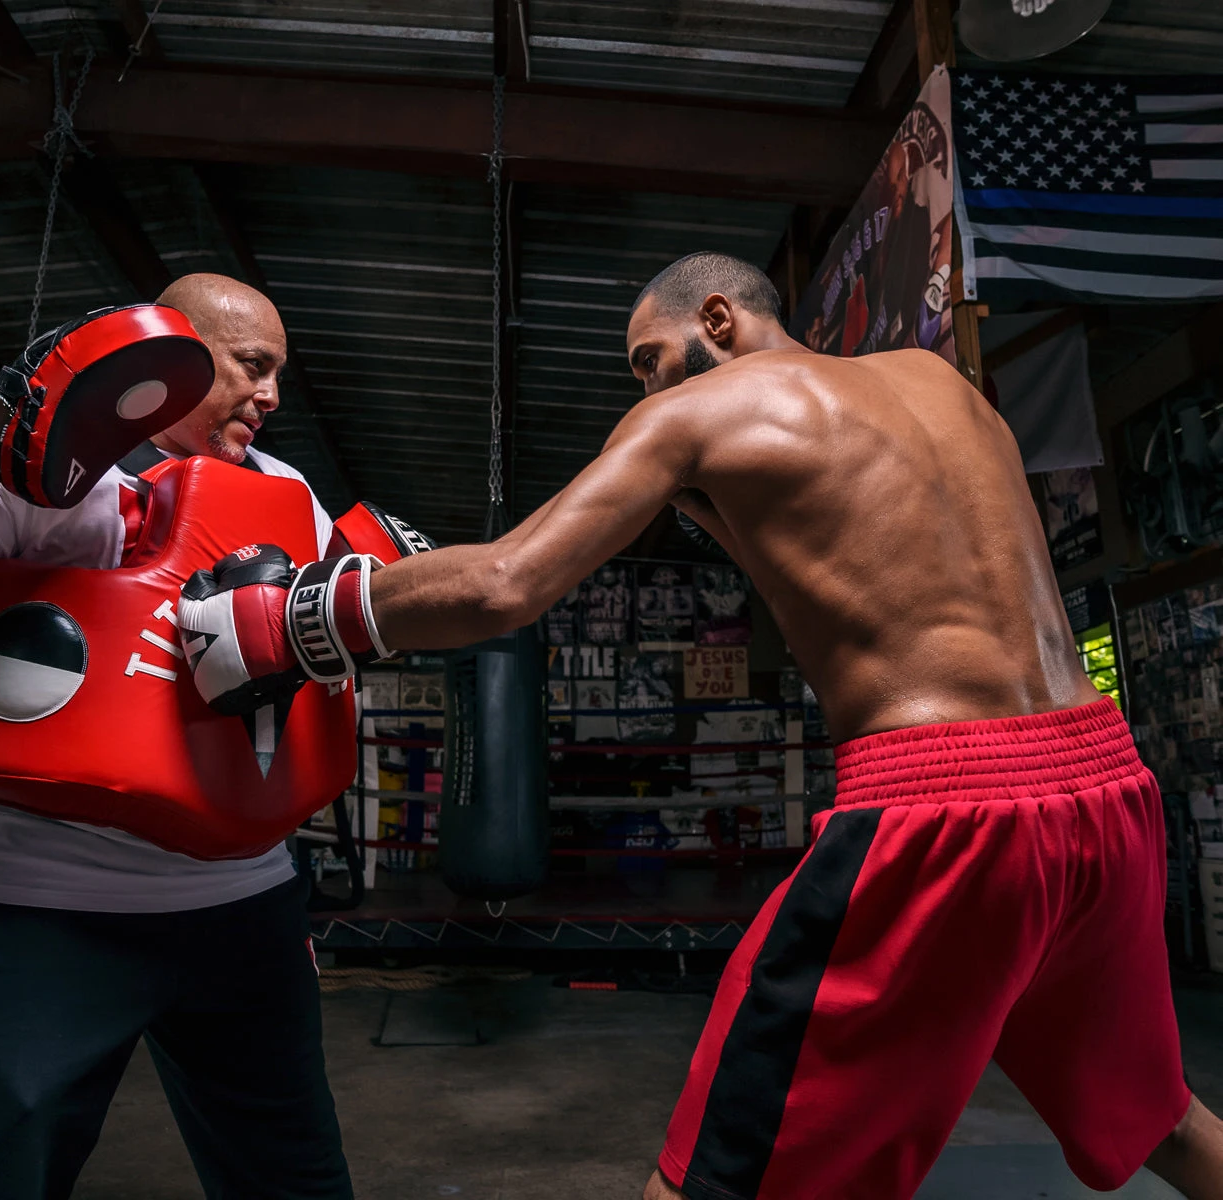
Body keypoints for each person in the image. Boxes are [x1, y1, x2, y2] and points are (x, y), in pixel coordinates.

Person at [185, 251, 1223, 1199]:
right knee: (1163, 1120)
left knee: (705, 1183)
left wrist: (297, 618)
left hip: (942, 816)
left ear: (717, 319)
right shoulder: (944, 386)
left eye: (649, 360)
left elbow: (505, 584)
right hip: (1105, 790)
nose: (646, 390)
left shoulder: (695, 413)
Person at [0, 274, 353, 1200]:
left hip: (246, 898)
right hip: (47, 901)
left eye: (278, 376)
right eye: (252, 366)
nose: (271, 396)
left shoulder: (288, 492)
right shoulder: (50, 475)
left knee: (293, 1176)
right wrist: (18, 408)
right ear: (179, 355)